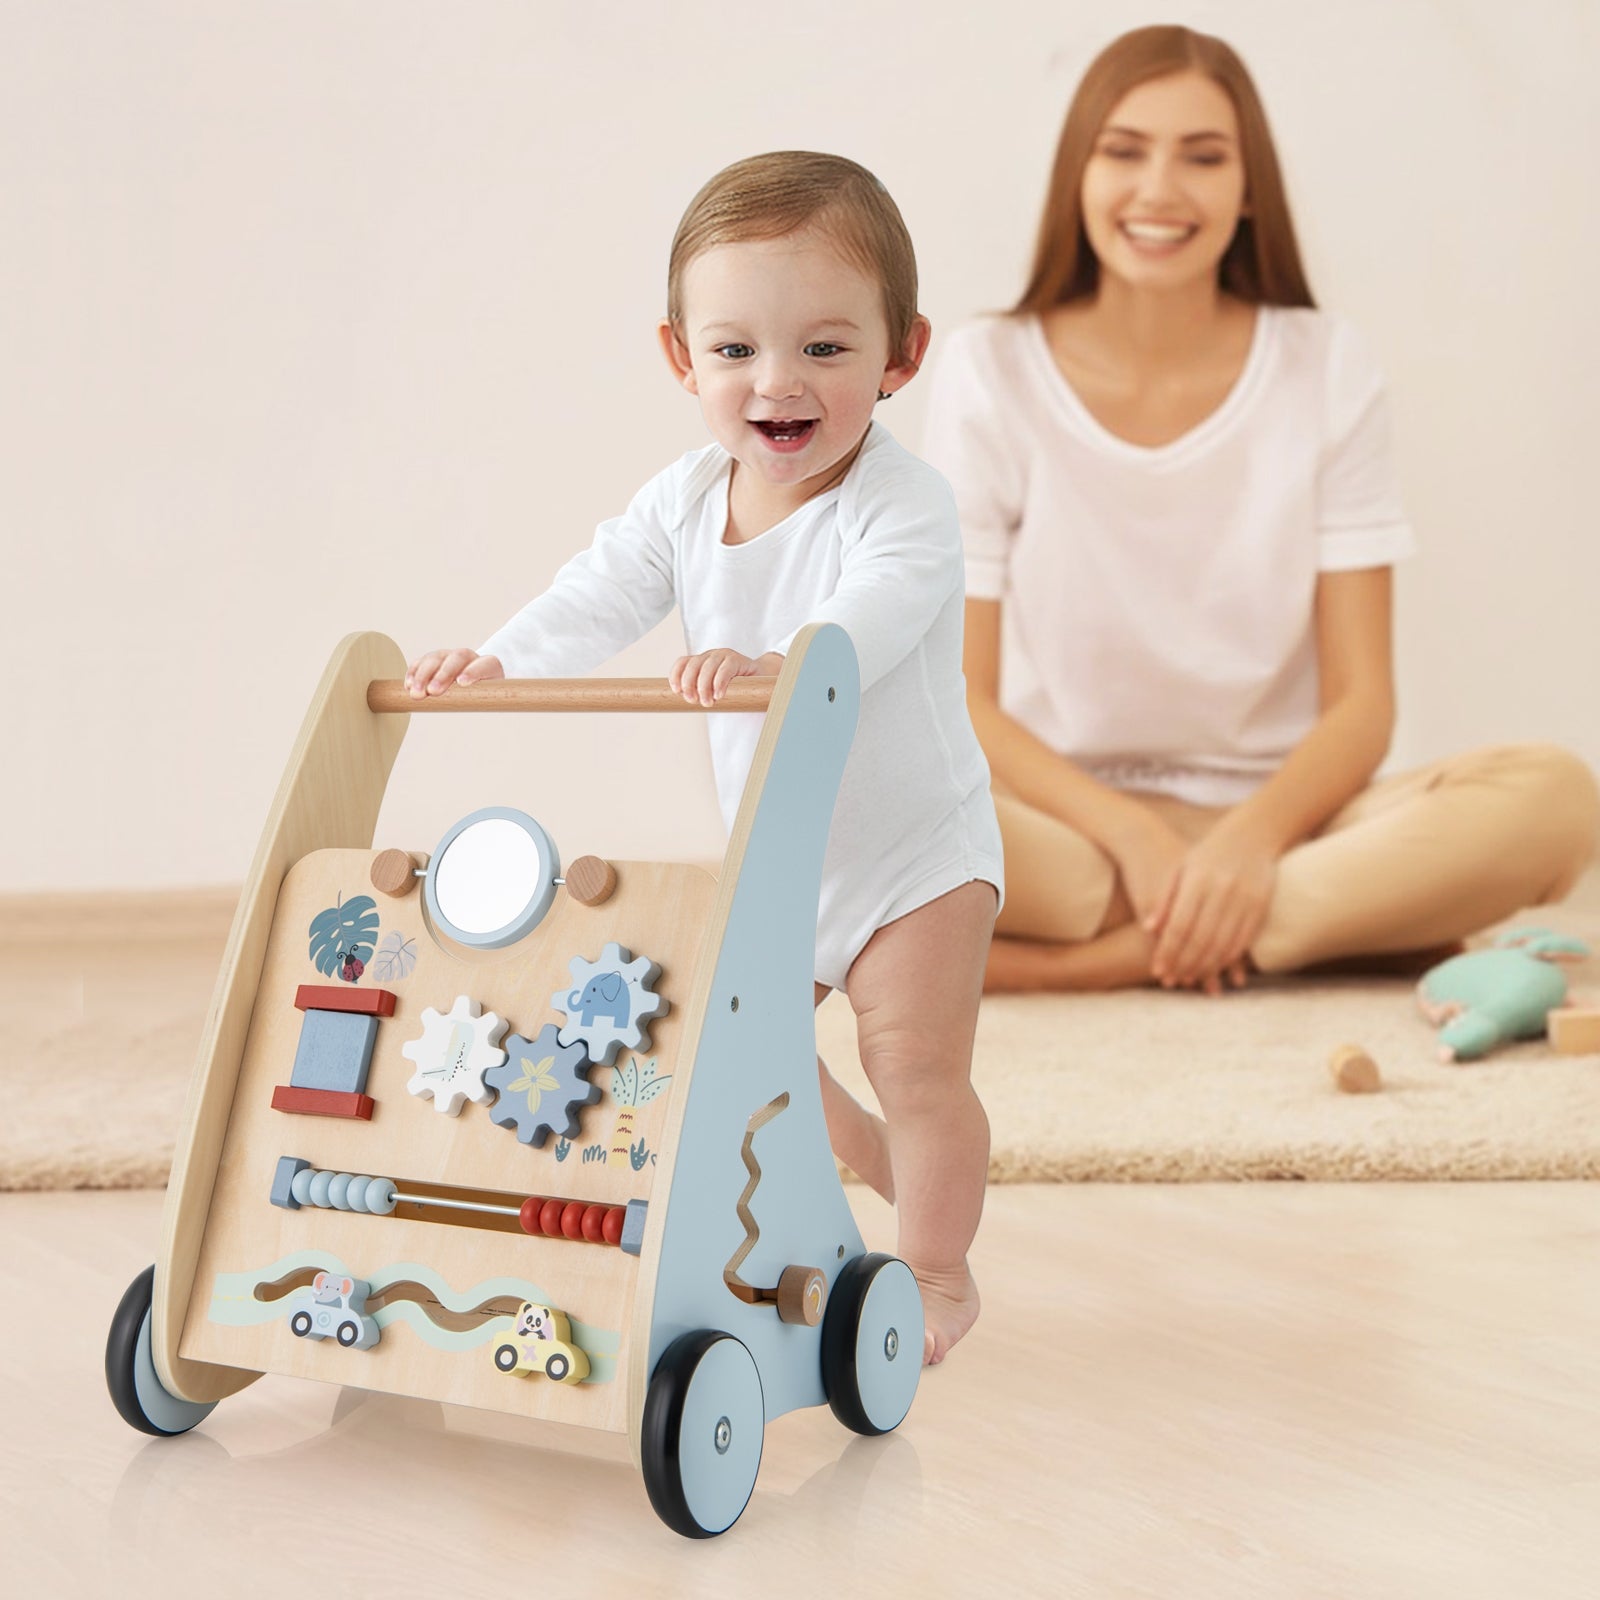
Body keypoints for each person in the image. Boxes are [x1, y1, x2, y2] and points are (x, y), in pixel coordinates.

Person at [406, 152, 1003, 1363]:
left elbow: (880, 610)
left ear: (902, 355)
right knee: (744, 1050)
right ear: (683, 359)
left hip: (917, 859)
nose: (777, 382)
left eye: (826, 350)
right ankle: (868, 1163)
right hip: (784, 854)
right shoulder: (682, 503)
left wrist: (776, 655)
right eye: (736, 351)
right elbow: (599, 593)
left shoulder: (902, 504)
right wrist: (507, 662)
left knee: (913, 1061)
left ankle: (935, 1272)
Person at [921, 25, 1598, 996]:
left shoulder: (1324, 365)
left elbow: (1363, 706)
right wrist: (1132, 834)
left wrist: (1246, 843)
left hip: (1288, 827)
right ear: (1077, 173)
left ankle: (1123, 952)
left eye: (1203, 157)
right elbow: (965, 701)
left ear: (1248, 192)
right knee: (831, 794)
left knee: (1555, 798)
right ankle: (1313, 929)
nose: (1159, 189)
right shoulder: (991, 368)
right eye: (1123, 151)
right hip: (1066, 836)